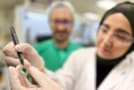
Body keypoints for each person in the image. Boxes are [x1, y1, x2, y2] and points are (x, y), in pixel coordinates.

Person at [3, 1, 134, 90]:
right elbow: (59, 83)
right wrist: (39, 68)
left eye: (120, 36)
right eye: (104, 29)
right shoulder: (80, 56)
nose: (106, 41)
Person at [34, 1, 82, 71]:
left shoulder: (82, 53)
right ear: (50, 23)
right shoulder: (36, 52)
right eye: (56, 21)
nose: (61, 27)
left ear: (73, 24)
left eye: (65, 22)